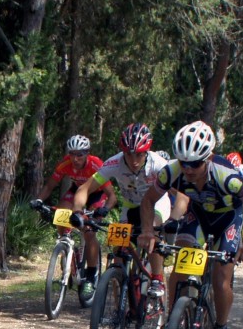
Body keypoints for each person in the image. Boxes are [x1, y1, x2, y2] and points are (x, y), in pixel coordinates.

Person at [138, 120, 243, 329]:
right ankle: (172, 320)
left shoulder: (228, 177)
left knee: (221, 279)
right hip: (198, 216)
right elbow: (148, 201)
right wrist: (148, 231)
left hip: (228, 219)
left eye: (196, 164)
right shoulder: (171, 172)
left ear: (208, 157)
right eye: (184, 163)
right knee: (181, 267)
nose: (189, 169)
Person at [70, 123, 175, 298]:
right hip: (131, 206)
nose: (134, 160)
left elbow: (178, 193)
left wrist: (178, 215)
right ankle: (120, 303)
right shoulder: (114, 163)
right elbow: (84, 189)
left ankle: (157, 278)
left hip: (157, 205)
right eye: (129, 154)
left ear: (147, 151)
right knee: (118, 253)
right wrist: (78, 211)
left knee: (153, 232)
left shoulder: (159, 164)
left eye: (139, 155)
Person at [30, 134, 115, 300]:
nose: (75, 159)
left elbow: (111, 194)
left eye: (80, 155)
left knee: (89, 232)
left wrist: (104, 209)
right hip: (77, 192)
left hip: (96, 196)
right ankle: (67, 250)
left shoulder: (96, 165)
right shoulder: (65, 164)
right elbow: (49, 186)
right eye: (72, 154)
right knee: (62, 213)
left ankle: (91, 275)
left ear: (87, 153)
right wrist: (39, 200)